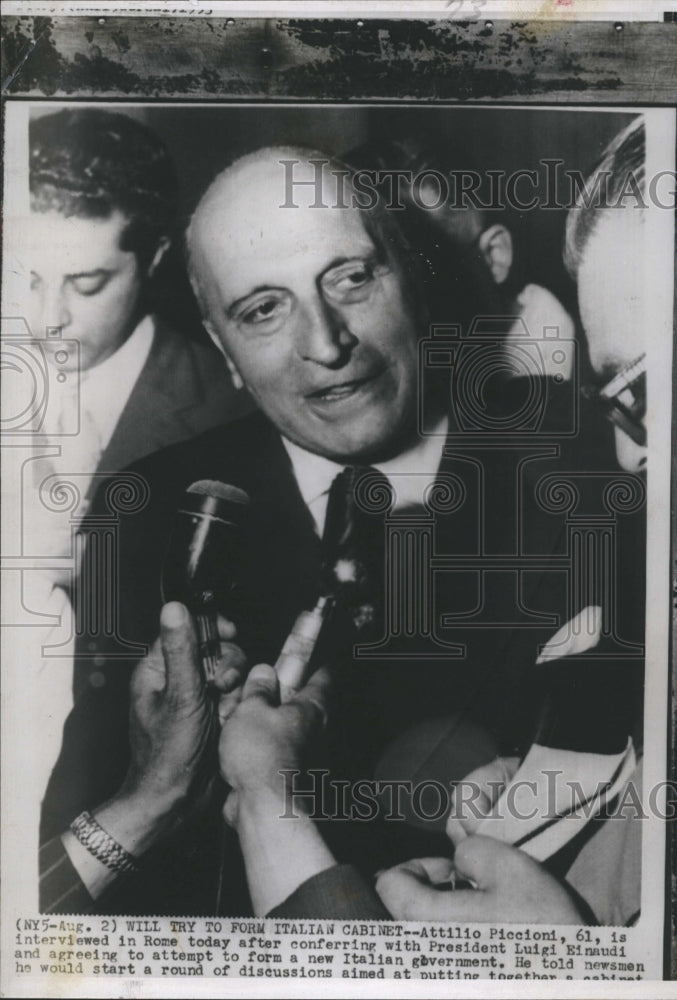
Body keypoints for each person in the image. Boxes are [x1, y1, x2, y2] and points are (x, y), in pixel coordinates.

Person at [40, 144, 641, 917]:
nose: (325, 343)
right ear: (223, 351)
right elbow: (81, 877)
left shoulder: (598, 456)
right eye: (263, 309)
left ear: (413, 278)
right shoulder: (150, 507)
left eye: (350, 277)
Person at [9, 108, 250, 826]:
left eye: (85, 285)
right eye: (21, 277)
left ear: (152, 261)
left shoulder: (228, 417)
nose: (45, 317)